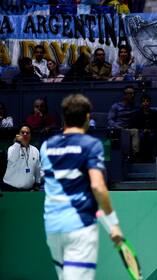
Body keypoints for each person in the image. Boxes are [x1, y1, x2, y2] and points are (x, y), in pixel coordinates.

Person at [41, 94, 124, 280]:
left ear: (63, 117)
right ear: (88, 117)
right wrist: (114, 225)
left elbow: (70, 189)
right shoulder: (91, 145)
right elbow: (97, 187)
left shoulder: (46, 147)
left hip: (53, 228)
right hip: (80, 227)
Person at [2, 125, 41, 191]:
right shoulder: (12, 149)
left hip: (28, 190)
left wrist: (37, 182)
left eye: (27, 133)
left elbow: (38, 168)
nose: (25, 134)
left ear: (30, 136)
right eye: (22, 132)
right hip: (10, 189)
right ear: (18, 135)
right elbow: (12, 159)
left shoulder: (35, 150)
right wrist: (17, 143)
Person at [107, 85, 140, 159]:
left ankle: (135, 155)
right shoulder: (116, 106)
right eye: (130, 93)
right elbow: (110, 120)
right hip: (117, 129)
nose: (132, 95)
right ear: (125, 95)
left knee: (135, 131)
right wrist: (118, 127)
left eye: (133, 93)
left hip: (128, 129)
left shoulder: (135, 107)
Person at [130, 94, 157, 162]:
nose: (145, 103)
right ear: (141, 103)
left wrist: (151, 130)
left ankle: (155, 155)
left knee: (155, 135)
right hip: (141, 132)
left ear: (150, 103)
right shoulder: (136, 114)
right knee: (142, 136)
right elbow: (134, 125)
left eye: (147, 101)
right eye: (143, 101)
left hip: (152, 132)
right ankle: (140, 157)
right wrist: (142, 130)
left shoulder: (155, 113)